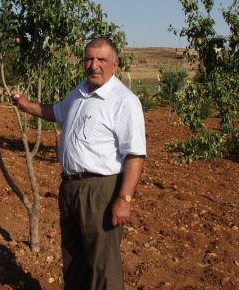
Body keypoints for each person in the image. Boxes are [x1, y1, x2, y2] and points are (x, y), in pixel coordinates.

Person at [11, 38, 146, 290]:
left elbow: (135, 155)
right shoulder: (80, 92)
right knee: (74, 259)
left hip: (100, 191)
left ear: (114, 64)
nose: (94, 65)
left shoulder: (123, 101)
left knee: (102, 265)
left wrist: (124, 199)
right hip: (71, 187)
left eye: (101, 60)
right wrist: (26, 104)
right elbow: (57, 112)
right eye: (89, 59)